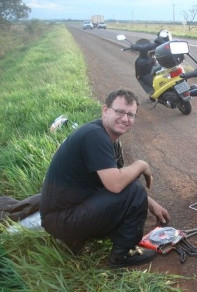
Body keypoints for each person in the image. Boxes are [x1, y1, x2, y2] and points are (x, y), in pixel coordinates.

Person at [40, 88, 170, 268]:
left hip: (62, 216)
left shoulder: (106, 137)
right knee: (134, 189)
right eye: (119, 112)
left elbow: (114, 180)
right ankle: (121, 255)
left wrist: (152, 204)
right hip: (62, 220)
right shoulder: (95, 136)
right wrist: (141, 164)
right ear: (105, 110)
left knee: (130, 185)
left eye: (131, 115)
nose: (125, 119)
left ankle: (76, 240)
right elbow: (117, 185)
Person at [131, 29, 172, 94]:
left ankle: (155, 90)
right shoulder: (170, 44)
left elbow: (146, 47)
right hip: (171, 65)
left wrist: (136, 47)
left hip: (164, 66)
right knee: (156, 67)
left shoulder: (158, 44)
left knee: (153, 71)